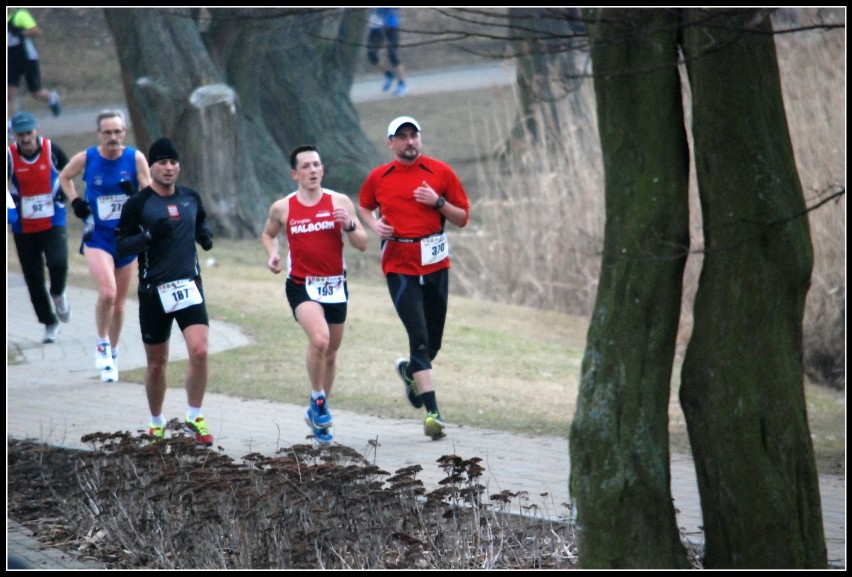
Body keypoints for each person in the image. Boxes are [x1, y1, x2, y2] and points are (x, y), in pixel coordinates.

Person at [358, 116, 470, 440]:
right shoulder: (379, 177)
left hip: (435, 264)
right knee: (418, 338)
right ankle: (433, 414)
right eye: (402, 137)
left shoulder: (440, 172)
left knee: (432, 342)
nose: (409, 142)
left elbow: (462, 218)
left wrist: (437, 202)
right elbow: (365, 206)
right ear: (391, 143)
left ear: (420, 139)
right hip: (399, 265)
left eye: (414, 135)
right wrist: (374, 225)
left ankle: (409, 371)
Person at [261, 145, 368, 445]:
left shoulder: (340, 201)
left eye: (316, 165)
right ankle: (318, 399)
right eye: (305, 166)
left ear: (322, 170)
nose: (312, 171)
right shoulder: (283, 207)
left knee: (331, 353)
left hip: (335, 285)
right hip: (301, 285)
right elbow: (268, 234)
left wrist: (348, 224)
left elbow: (362, 243)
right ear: (295, 173)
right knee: (319, 340)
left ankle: (319, 412)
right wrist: (273, 254)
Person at [115, 137, 216, 447]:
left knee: (199, 351)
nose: (169, 167)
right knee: (157, 363)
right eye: (162, 162)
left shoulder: (190, 197)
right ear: (152, 166)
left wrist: (204, 235)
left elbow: (201, 221)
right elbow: (121, 245)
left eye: (173, 162)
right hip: (153, 292)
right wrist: (147, 236)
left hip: (188, 287)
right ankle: (156, 423)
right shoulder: (138, 203)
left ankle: (194, 417)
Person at [58, 110, 151, 383]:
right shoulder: (87, 158)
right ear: (99, 134)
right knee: (107, 293)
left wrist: (136, 199)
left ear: (124, 132)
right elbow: (64, 177)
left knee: (120, 305)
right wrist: (76, 201)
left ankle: (113, 352)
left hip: (126, 238)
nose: (113, 137)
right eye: (107, 132)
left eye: (117, 132)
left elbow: (148, 191)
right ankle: (101, 343)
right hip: (98, 237)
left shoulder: (135, 158)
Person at [7, 111, 71, 343]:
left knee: (58, 262)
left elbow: (69, 172)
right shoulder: (10, 156)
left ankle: (58, 293)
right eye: (20, 134)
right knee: (33, 278)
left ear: (37, 131)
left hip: (53, 220)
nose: (25, 139)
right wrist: (9, 208)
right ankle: (49, 323)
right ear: (14, 135)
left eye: (29, 133)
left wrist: (64, 192)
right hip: (24, 227)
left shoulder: (52, 150)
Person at [7, 7, 61, 122]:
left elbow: (37, 31)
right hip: (11, 60)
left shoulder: (20, 15)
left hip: (28, 59)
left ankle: (52, 97)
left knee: (36, 93)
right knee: (9, 94)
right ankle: (10, 125)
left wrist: (22, 32)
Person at [366, 7, 407, 96]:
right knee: (371, 54)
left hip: (391, 25)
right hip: (375, 27)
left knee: (392, 55)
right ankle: (388, 75)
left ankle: (402, 84)